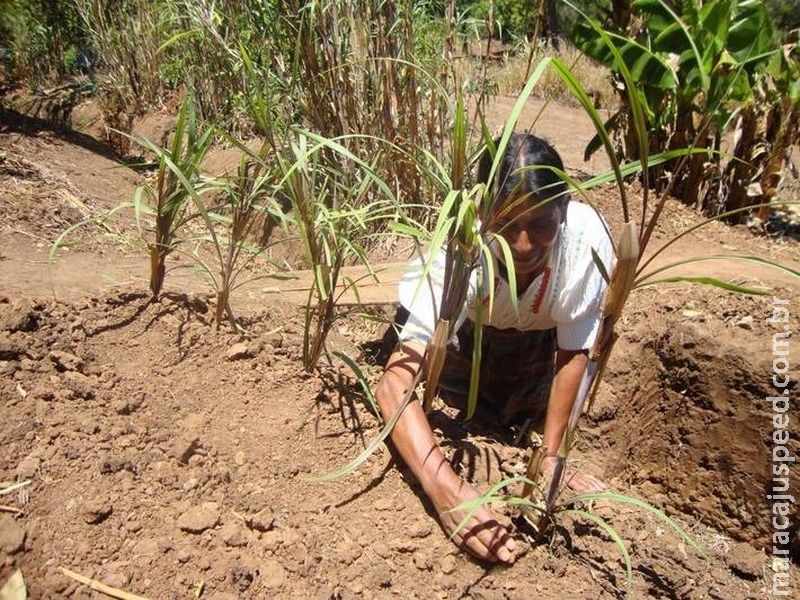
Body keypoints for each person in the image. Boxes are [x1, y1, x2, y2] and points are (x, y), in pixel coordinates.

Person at [374, 132, 614, 564]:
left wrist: (552, 457)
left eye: (542, 224)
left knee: (521, 413)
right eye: (507, 225)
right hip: (465, 343)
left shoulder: (585, 243)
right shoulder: (457, 255)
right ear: (483, 215)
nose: (523, 246)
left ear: (564, 210)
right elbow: (394, 386)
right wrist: (446, 489)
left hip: (534, 346)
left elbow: (573, 353)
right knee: (460, 403)